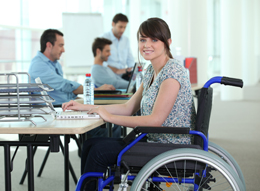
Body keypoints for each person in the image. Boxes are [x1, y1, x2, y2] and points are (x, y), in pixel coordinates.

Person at [62, 18, 196, 190]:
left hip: (169, 146)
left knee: (98, 152)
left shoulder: (172, 72)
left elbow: (155, 120)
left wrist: (109, 117)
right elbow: (129, 107)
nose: (147, 45)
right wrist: (87, 107)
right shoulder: (150, 71)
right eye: (142, 39)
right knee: (90, 144)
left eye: (154, 40)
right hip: (154, 140)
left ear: (167, 43)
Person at [28, 29, 115, 107]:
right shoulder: (38, 65)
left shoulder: (55, 64)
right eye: (61, 45)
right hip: (52, 110)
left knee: (103, 109)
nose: (63, 50)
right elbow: (64, 85)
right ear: (49, 45)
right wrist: (96, 90)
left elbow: (63, 91)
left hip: (63, 106)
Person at [101, 13, 135, 80]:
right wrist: (116, 70)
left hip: (123, 76)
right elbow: (100, 62)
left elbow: (130, 60)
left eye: (124, 27)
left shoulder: (126, 40)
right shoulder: (103, 38)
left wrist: (132, 70)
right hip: (109, 75)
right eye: (120, 27)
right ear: (113, 24)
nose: (122, 30)